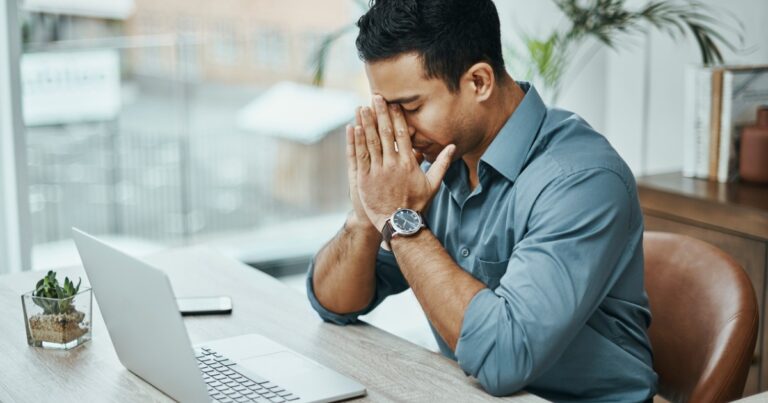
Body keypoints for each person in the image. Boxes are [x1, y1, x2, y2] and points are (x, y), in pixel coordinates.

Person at [306, 0, 658, 401]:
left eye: (411, 107)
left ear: (478, 82)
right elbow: (334, 303)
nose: (397, 131)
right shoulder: (432, 161)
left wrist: (399, 219)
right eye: (387, 110)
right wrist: (366, 214)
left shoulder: (581, 180)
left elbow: (503, 360)